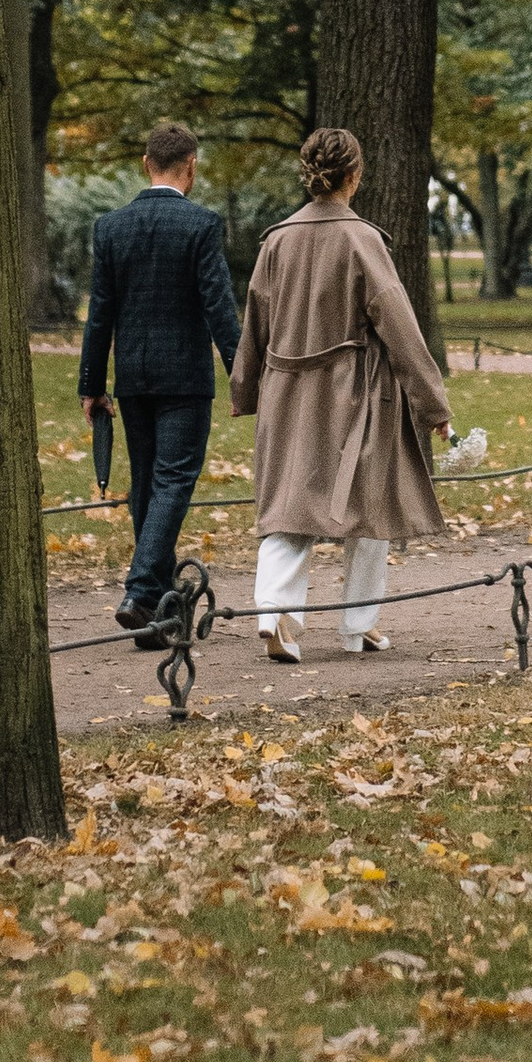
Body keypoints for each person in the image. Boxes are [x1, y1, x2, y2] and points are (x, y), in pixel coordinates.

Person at [231, 124, 449, 664]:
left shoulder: (276, 240)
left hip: (286, 391)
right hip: (357, 393)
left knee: (289, 503)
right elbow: (399, 324)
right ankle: (358, 624)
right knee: (370, 503)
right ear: (354, 175)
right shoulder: (362, 240)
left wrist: (246, 388)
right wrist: (433, 406)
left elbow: (254, 320)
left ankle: (276, 612)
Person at [80, 119, 241, 642]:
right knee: (172, 482)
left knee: (149, 485)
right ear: (191, 167)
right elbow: (219, 306)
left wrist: (92, 384)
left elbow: (100, 312)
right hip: (185, 380)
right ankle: (142, 587)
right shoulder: (201, 226)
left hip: (133, 379)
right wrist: (244, 374)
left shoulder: (110, 227)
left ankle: (160, 616)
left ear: (146, 164)